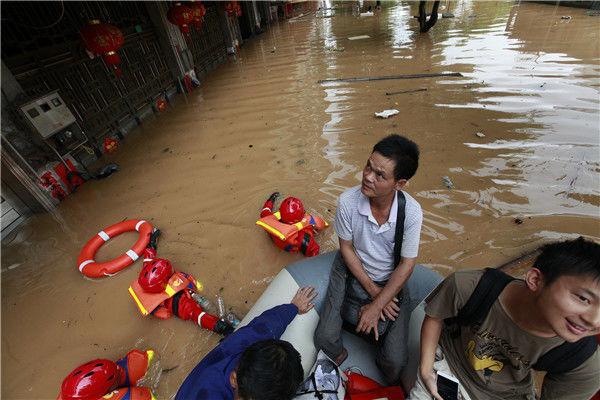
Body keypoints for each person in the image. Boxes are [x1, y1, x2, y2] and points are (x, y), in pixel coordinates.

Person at [409, 237, 600, 400]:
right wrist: (426, 371)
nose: (594, 320)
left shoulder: (583, 361)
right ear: (535, 280)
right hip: (449, 366)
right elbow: (435, 317)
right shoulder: (471, 286)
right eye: (583, 298)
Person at [314, 134, 423, 384]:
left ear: (400, 183)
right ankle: (340, 359)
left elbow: (407, 264)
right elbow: (347, 249)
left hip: (389, 277)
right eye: (368, 166)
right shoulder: (348, 202)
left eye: (380, 175)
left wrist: (378, 304)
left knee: (395, 361)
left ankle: (379, 373)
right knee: (324, 337)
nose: (367, 176)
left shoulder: (412, 213)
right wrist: (375, 296)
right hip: (351, 268)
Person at [175, 286, 318, 400]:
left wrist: (293, 307)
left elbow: (269, 324)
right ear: (234, 379)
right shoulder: (206, 392)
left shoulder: (247, 342)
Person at [128, 230, 233, 335]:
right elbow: (197, 315)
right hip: (177, 302)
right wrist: (219, 326)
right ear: (165, 281)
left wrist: (152, 243)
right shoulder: (178, 301)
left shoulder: (149, 276)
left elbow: (148, 260)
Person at [256, 192, 329, 257]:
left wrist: (272, 198)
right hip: (295, 248)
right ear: (302, 215)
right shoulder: (304, 238)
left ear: (280, 212)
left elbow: (265, 210)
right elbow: (314, 254)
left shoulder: (268, 219)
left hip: (279, 243)